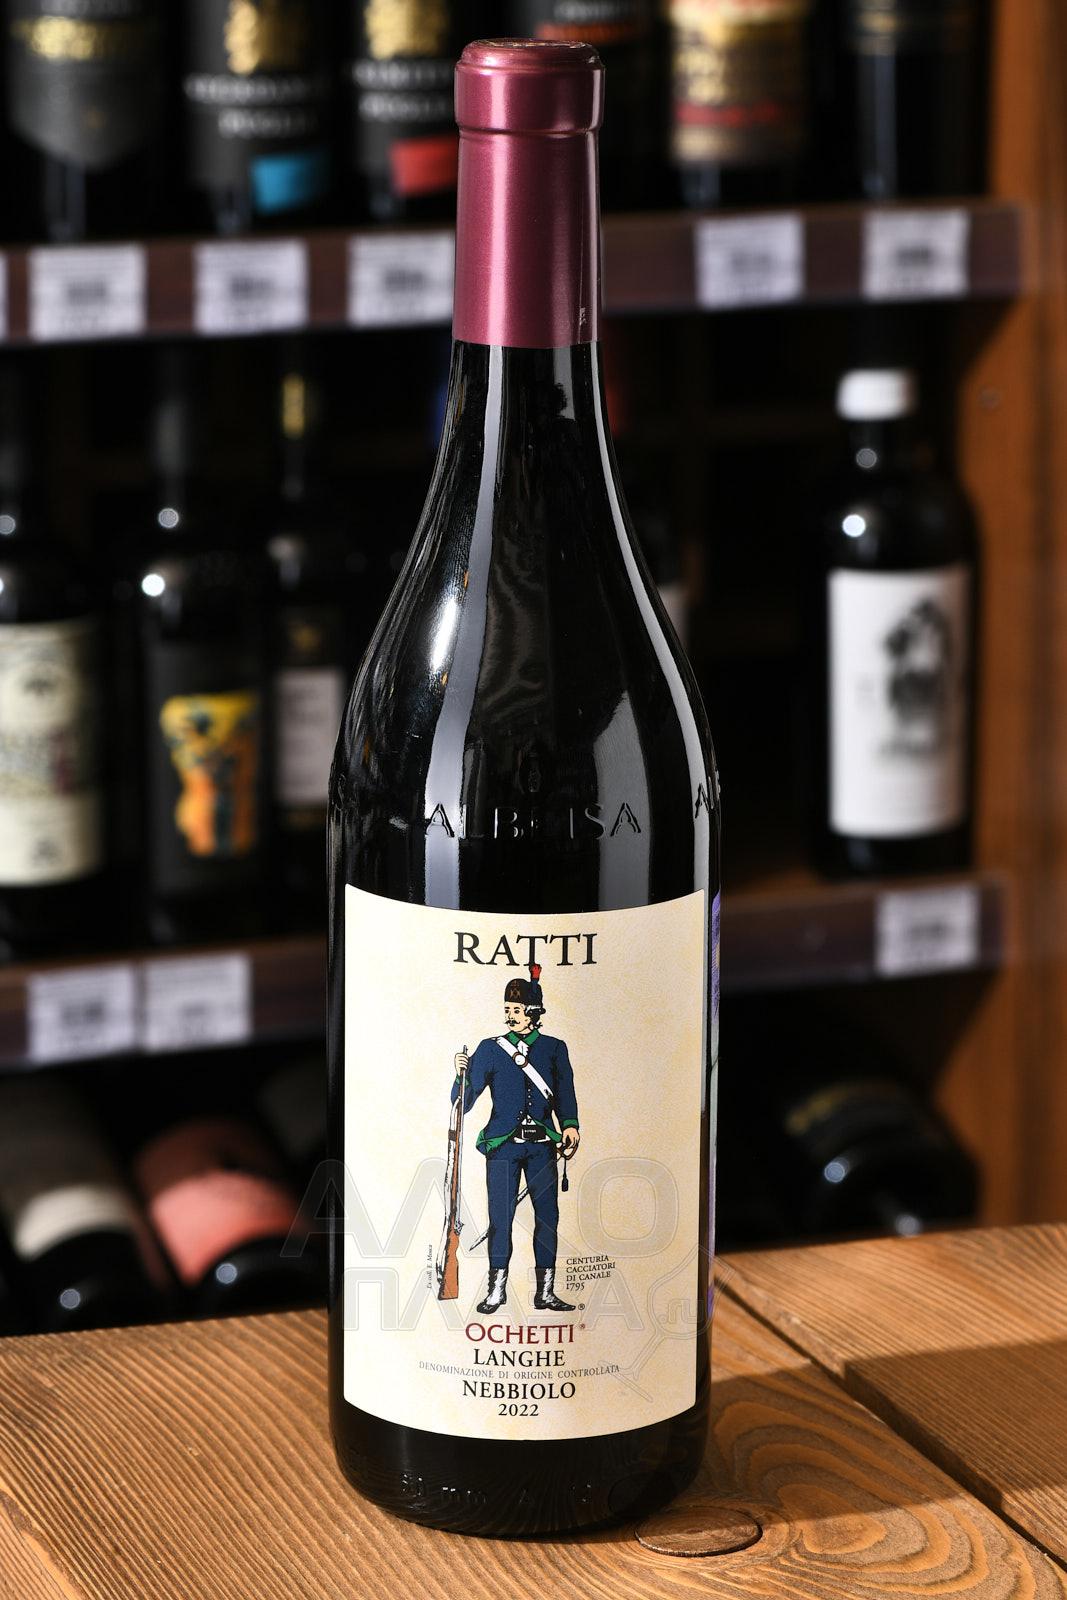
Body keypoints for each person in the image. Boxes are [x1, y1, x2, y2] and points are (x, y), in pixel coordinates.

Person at [452, 964, 580, 1314]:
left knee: (548, 1218)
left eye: (517, 1010)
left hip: (541, 1147)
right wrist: (461, 1075)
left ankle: (545, 1292)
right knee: (500, 1220)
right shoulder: (490, 1049)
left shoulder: (553, 1048)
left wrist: (570, 1125)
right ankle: (496, 1291)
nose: (510, 1015)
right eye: (507, 1009)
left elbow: (565, 1092)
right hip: (502, 1147)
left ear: (533, 1013)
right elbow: (463, 1102)